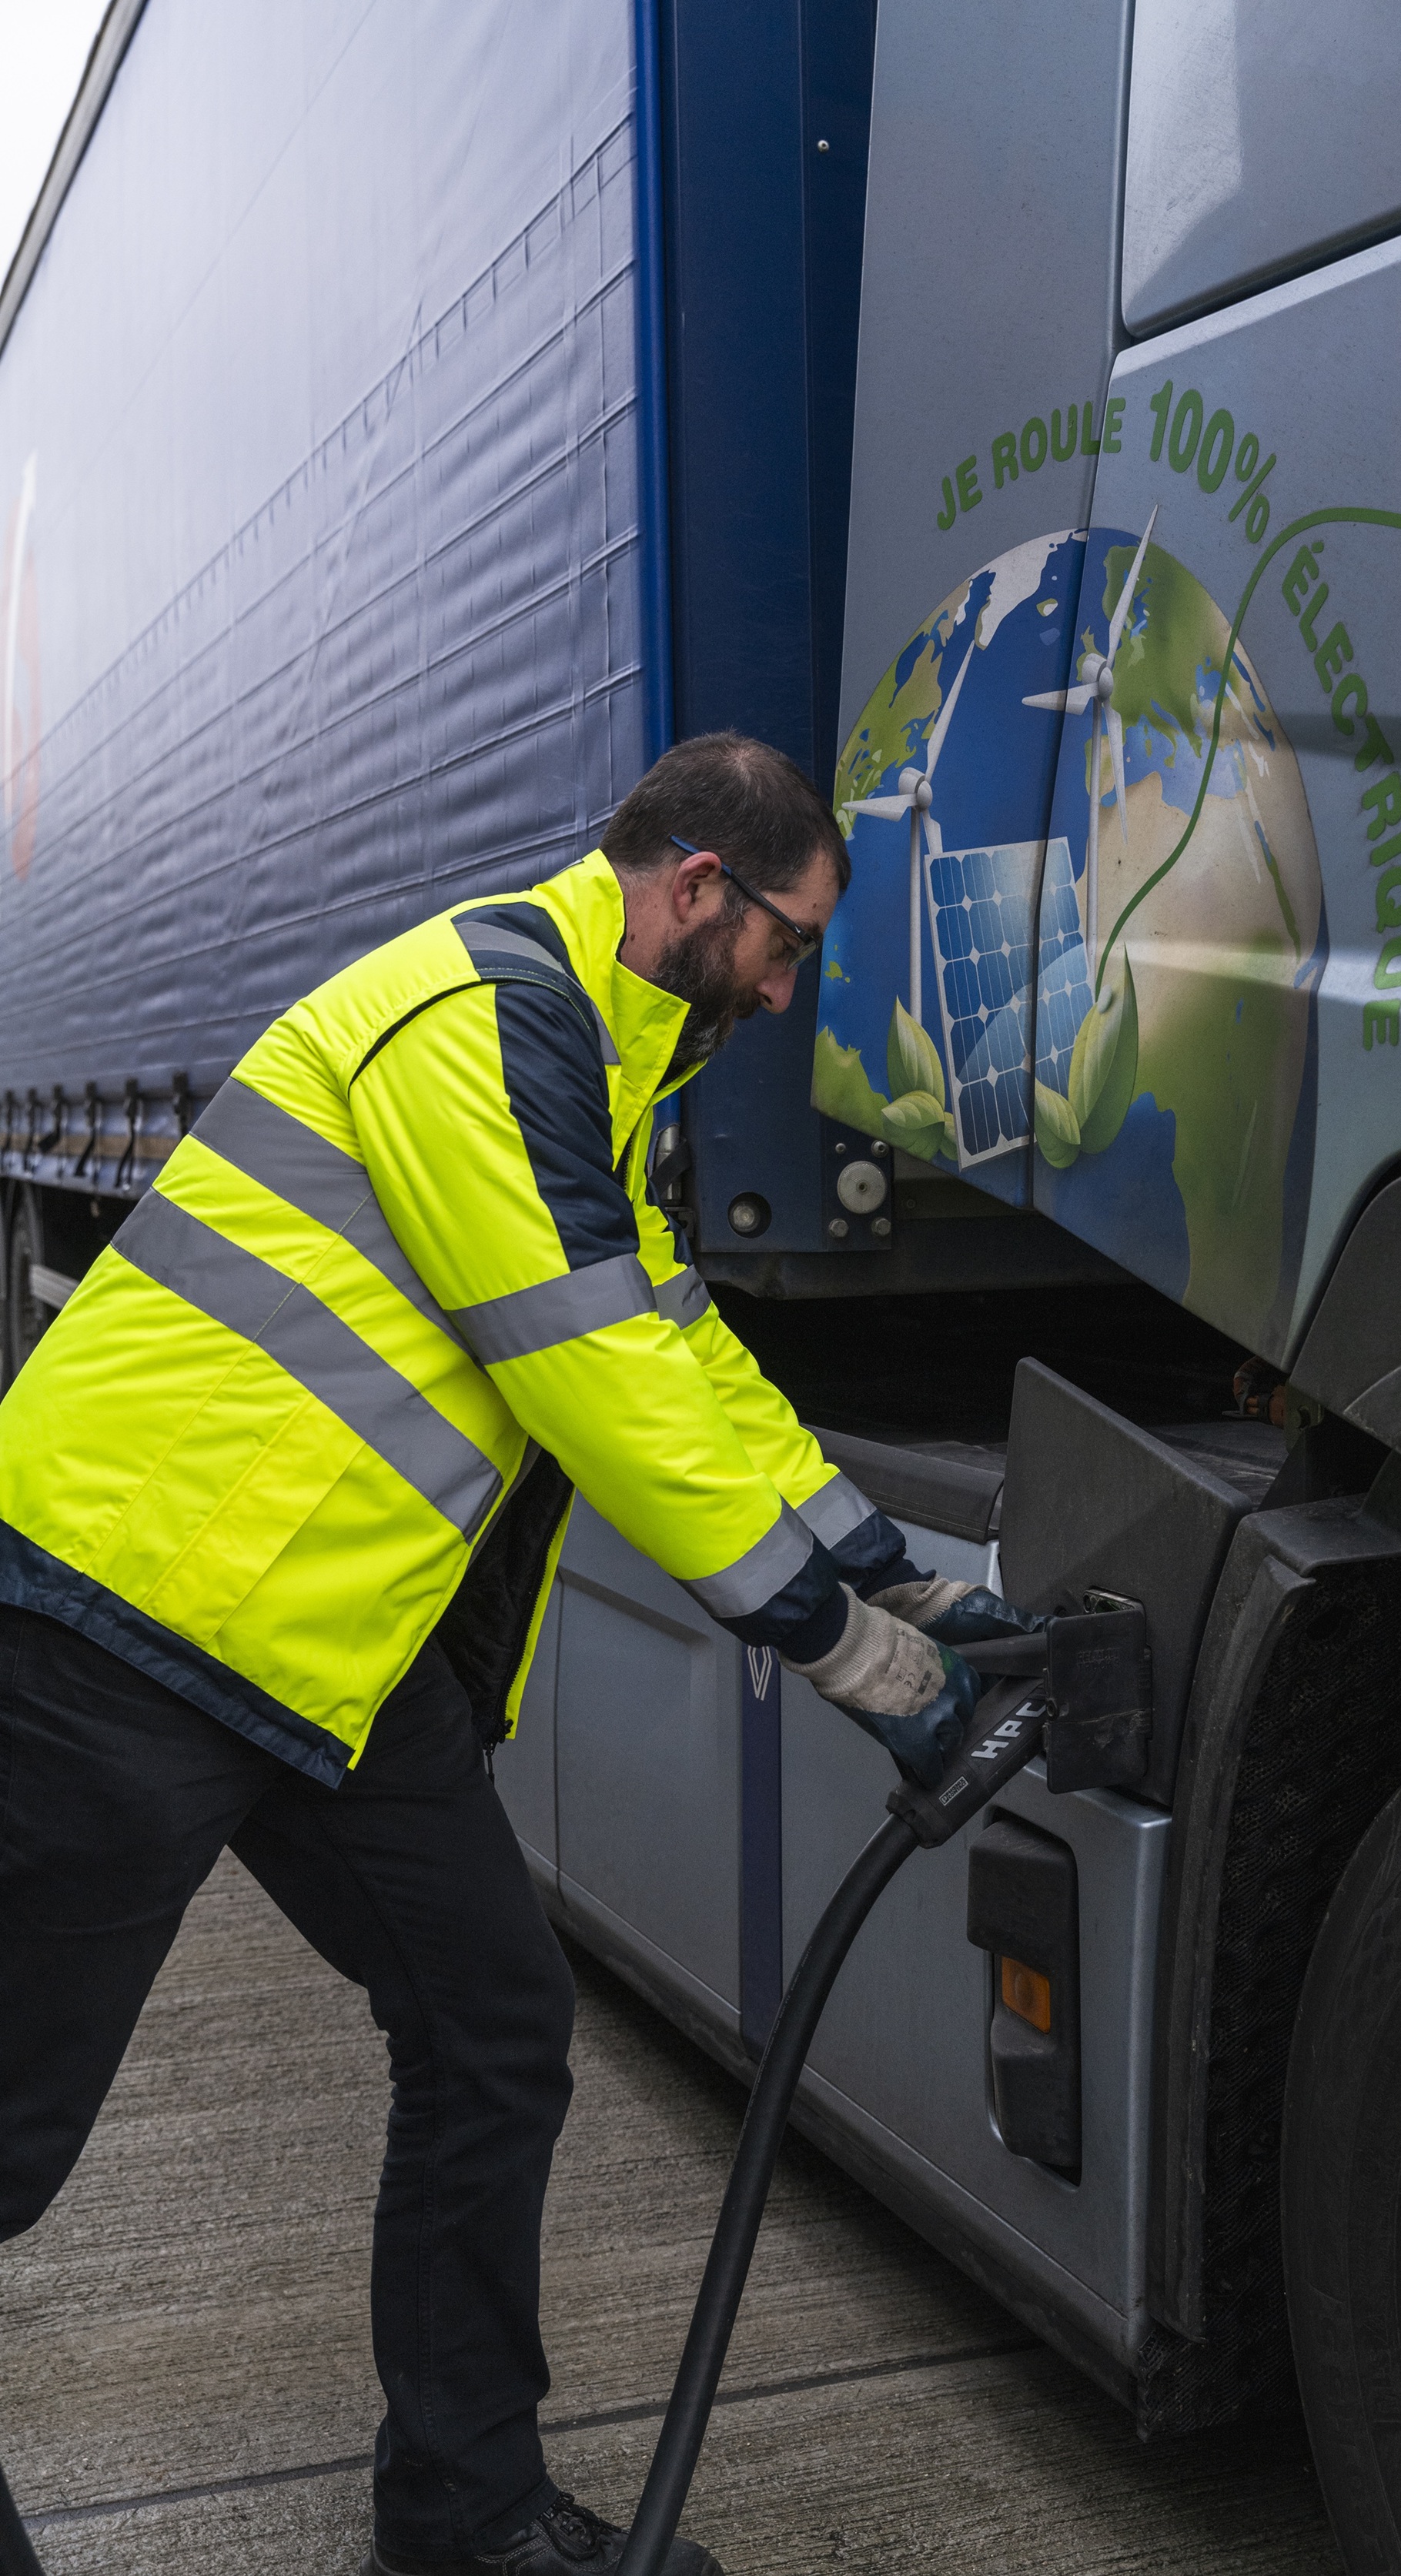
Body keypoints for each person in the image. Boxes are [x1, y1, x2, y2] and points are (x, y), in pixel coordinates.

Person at [0, 732, 1035, 2576]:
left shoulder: (605, 1054)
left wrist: (897, 1571)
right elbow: (595, 1378)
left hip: (332, 1647)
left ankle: (461, 2515)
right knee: (13, 2135)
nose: (787, 991)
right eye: (787, 942)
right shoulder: (478, 1016)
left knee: (494, 2028)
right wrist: (843, 1654)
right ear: (698, 886)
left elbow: (679, 1341)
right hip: (133, 1618)